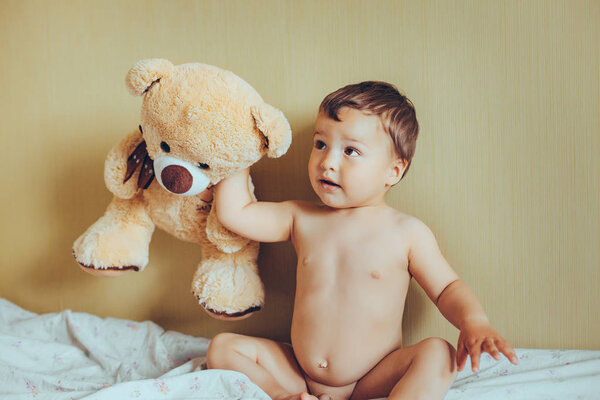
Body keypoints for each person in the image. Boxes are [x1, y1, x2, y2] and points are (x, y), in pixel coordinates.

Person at [206, 81, 518, 400]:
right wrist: (234, 147)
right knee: (223, 348)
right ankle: (284, 397)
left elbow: (447, 288)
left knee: (439, 354)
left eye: (350, 151)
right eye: (320, 144)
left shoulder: (406, 232)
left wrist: (474, 321)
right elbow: (237, 214)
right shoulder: (300, 217)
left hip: (372, 379)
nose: (327, 161)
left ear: (393, 171)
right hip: (299, 376)